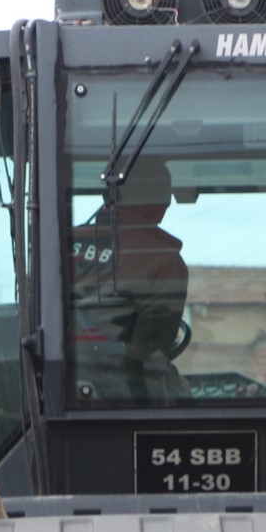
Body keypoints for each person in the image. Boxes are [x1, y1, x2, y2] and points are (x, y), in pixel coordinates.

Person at [70, 155, 189, 400]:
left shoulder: (62, 243)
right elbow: (147, 357)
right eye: (166, 197)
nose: (167, 206)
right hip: (116, 394)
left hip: (61, 389)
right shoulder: (162, 260)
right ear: (157, 201)